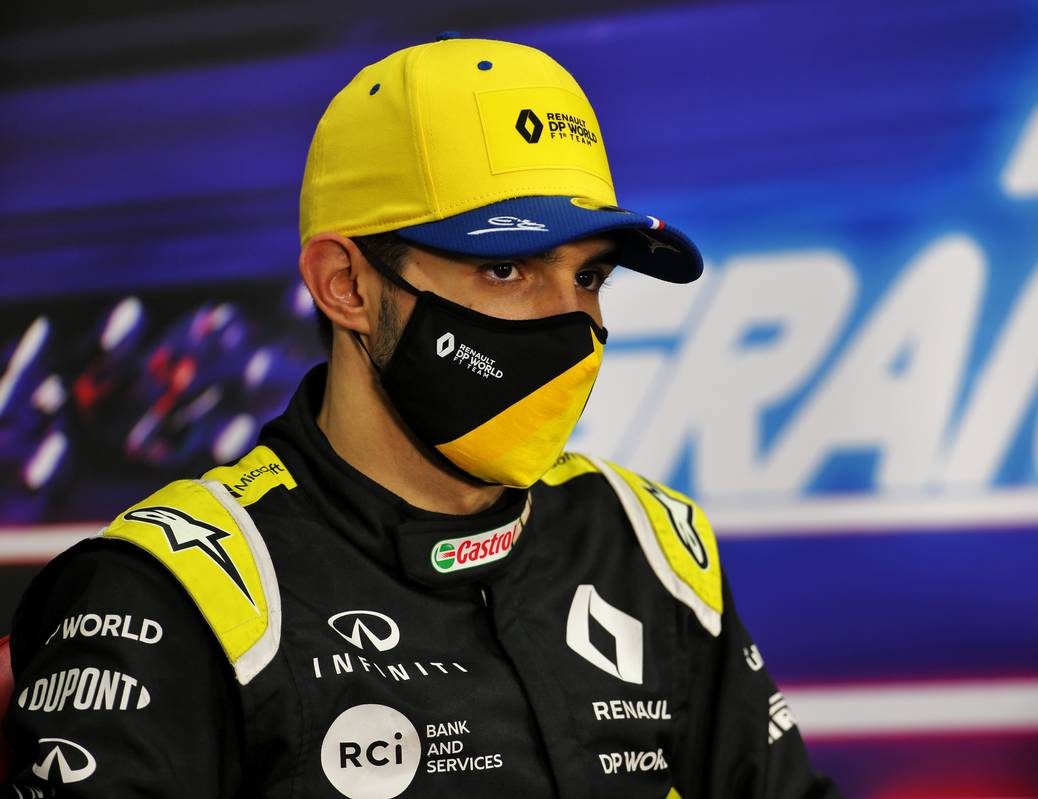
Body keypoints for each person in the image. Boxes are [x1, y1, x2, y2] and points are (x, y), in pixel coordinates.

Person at [1, 36, 841, 798]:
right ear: (346, 285)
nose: (573, 327)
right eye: (507, 268)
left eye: (589, 277)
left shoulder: (650, 546)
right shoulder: (182, 595)